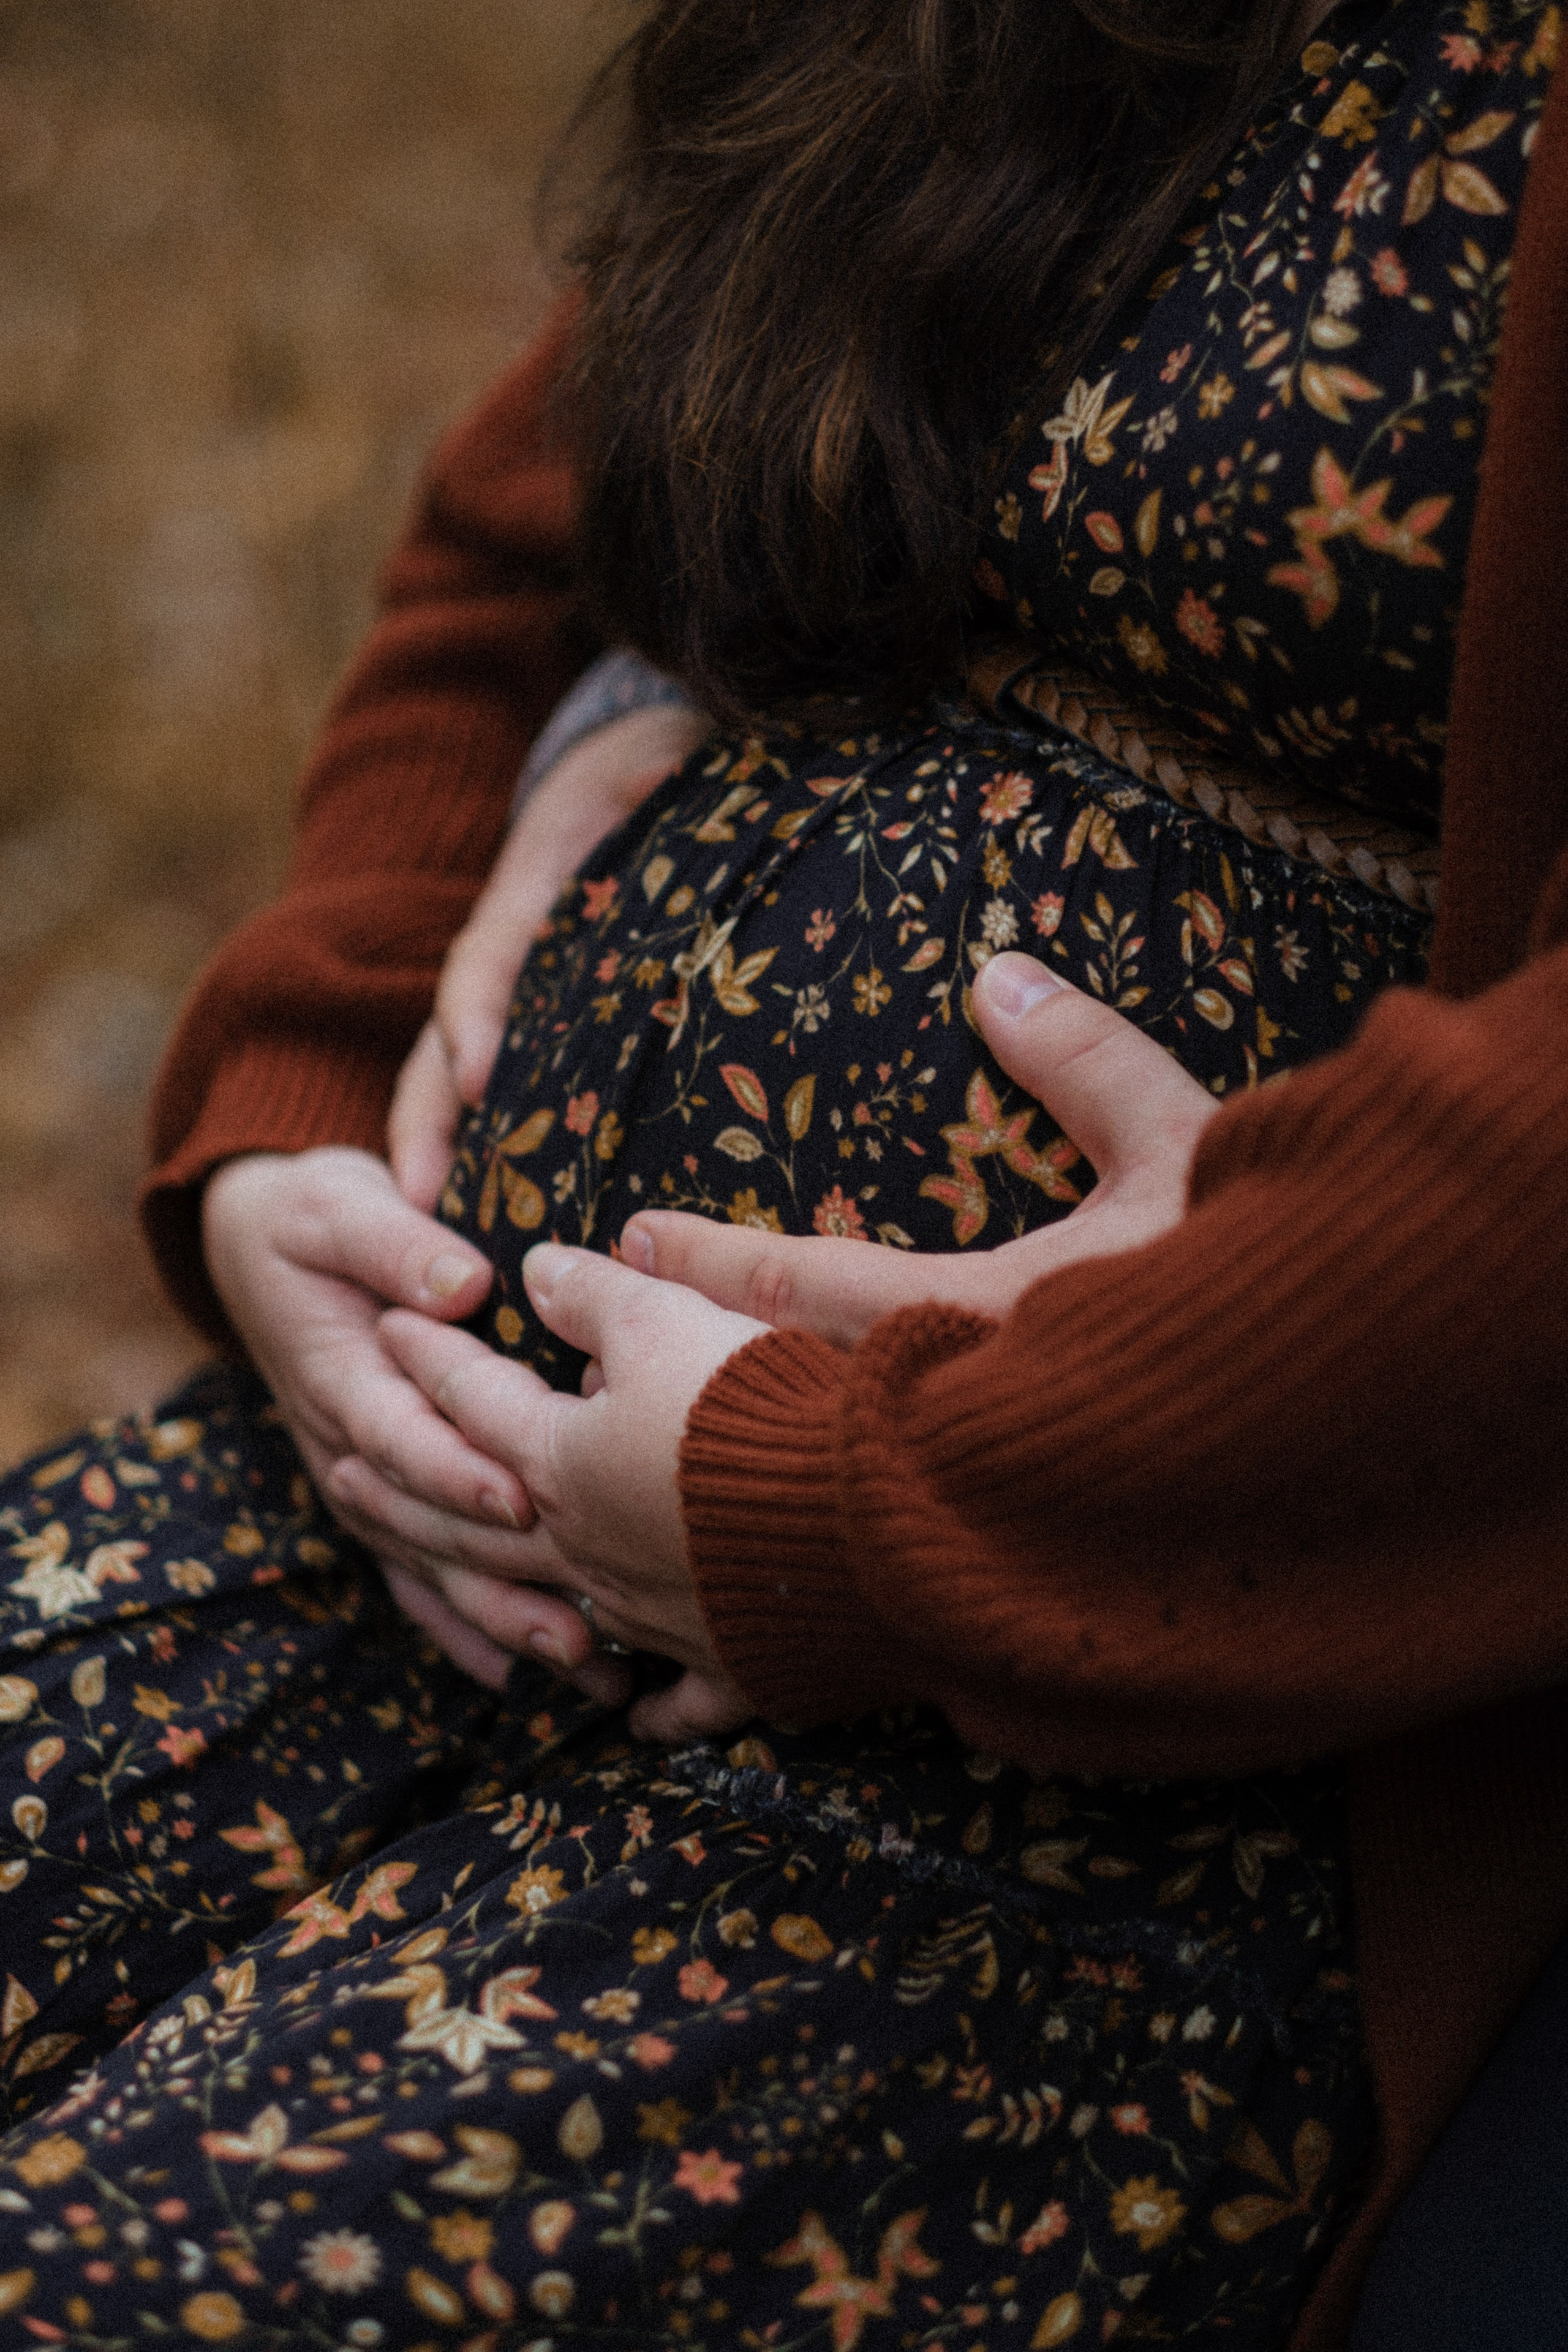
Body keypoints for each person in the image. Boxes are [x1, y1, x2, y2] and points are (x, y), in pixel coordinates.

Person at [1, 3, 1564, 2346]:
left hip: (1065, 1774)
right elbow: (545, 505)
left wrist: (888, 1501)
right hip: (382, 1521)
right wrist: (308, 1092)